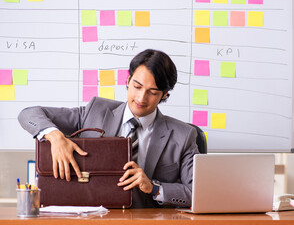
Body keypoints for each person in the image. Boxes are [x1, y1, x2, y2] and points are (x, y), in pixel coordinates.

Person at [18, 49, 199, 208]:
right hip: (90, 217)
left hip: (143, 219)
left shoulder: (183, 135)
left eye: (152, 92)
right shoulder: (95, 111)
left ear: (165, 95)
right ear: (127, 80)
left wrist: (154, 188)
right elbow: (29, 114)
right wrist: (55, 137)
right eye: (137, 86)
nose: (141, 98)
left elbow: (196, 192)